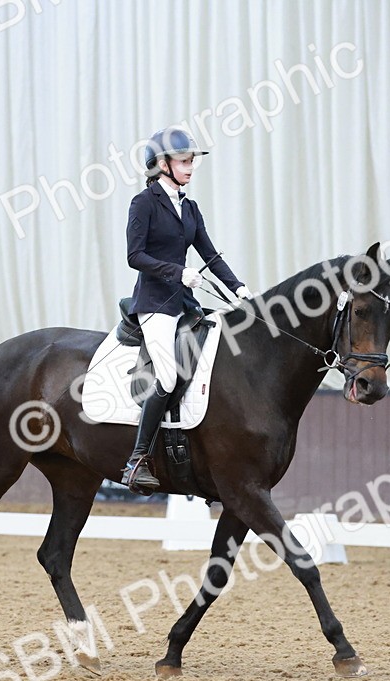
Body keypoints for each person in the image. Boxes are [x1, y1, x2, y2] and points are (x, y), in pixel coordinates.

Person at [121, 126, 253, 495]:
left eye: (192, 159)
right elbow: (135, 256)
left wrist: (240, 290)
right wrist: (178, 272)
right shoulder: (144, 204)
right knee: (166, 377)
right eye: (184, 160)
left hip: (185, 305)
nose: (191, 166)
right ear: (161, 164)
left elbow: (210, 255)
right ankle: (138, 459)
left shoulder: (189, 207)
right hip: (155, 306)